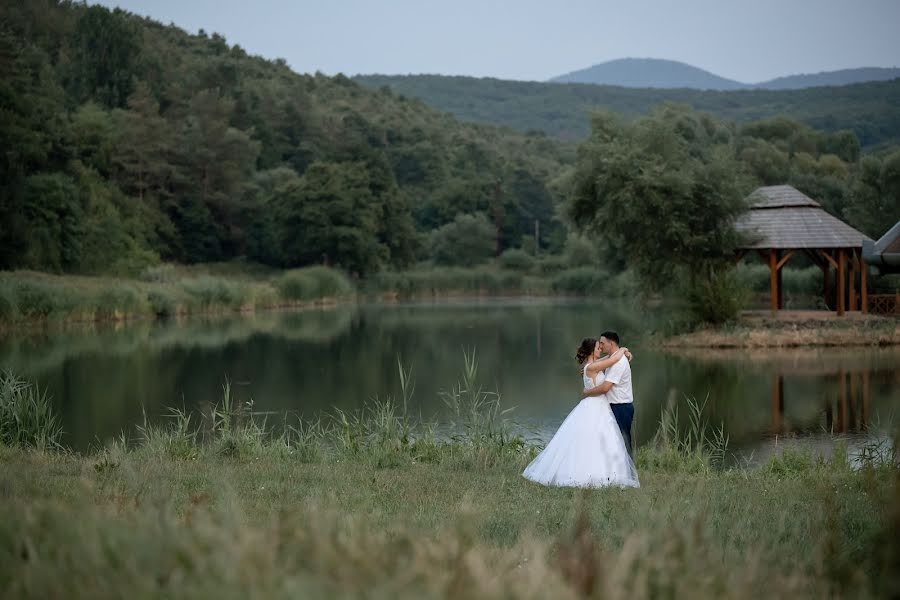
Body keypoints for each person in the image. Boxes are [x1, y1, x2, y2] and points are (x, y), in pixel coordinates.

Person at [522, 338, 639, 488]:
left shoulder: (591, 366)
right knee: (592, 439)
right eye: (597, 348)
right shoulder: (591, 368)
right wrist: (622, 350)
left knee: (603, 438)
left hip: (601, 406)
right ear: (592, 351)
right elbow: (612, 359)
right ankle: (591, 472)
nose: (600, 350)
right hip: (595, 406)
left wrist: (622, 351)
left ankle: (609, 472)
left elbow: (609, 358)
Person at [582, 331, 634, 453]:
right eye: (598, 345)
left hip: (621, 407)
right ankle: (614, 470)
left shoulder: (619, 362)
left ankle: (627, 470)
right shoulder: (612, 359)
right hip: (610, 406)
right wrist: (622, 350)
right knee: (612, 442)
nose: (600, 346)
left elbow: (605, 387)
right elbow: (606, 360)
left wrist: (587, 392)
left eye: (602, 343)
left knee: (622, 441)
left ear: (611, 343)